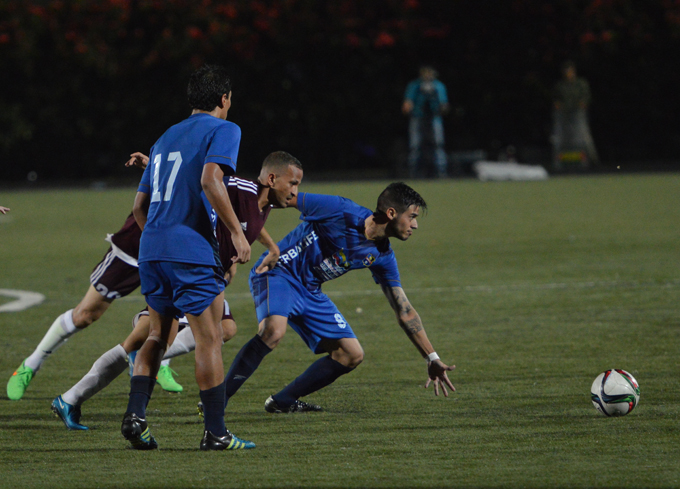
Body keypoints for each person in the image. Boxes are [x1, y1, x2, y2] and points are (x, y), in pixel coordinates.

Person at [51, 151, 303, 431]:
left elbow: (246, 223)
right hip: (188, 270)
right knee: (155, 340)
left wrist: (268, 246)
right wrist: (154, 167)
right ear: (271, 178)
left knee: (218, 329)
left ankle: (74, 398)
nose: (295, 192)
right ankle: (210, 427)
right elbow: (205, 183)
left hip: (200, 272)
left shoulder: (263, 204)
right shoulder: (241, 188)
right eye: (292, 183)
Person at [215, 182, 455, 419]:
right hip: (278, 271)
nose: (415, 224)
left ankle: (283, 401)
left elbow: (405, 311)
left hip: (310, 290)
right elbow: (280, 198)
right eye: (412, 216)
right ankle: (216, 401)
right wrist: (241, 238)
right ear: (391, 213)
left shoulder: (382, 255)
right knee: (273, 331)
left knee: (351, 354)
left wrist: (431, 357)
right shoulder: (340, 209)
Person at [121, 63, 259, 452]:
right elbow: (210, 179)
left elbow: (138, 207)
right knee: (209, 338)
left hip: (152, 251)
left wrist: (158, 238)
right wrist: (236, 233)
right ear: (224, 98)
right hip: (190, 253)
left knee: (158, 334)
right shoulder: (224, 129)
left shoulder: (165, 136)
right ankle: (216, 433)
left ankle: (135, 416)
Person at [6, 172, 184, 402]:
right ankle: (30, 365)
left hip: (174, 251)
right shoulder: (175, 151)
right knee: (85, 315)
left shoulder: (205, 164)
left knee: (175, 308)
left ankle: (160, 363)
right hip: (133, 250)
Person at [402, 66, 450, 178]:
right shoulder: (415, 85)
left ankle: (441, 171)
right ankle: (413, 171)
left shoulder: (438, 86)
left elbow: (444, 104)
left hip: (434, 118)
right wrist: (409, 106)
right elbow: (407, 103)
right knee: (415, 146)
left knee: (438, 144)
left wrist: (440, 105)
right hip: (418, 117)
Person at [552, 60, 599, 169]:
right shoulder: (561, 85)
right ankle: (558, 163)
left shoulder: (581, 83)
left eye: (570, 72)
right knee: (559, 138)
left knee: (583, 137)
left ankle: (591, 161)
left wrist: (583, 103)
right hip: (564, 115)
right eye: (566, 72)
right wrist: (557, 104)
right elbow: (556, 99)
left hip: (578, 114)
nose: (568, 74)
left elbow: (586, 96)